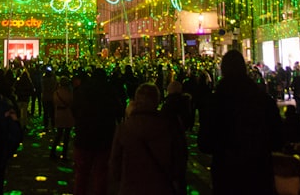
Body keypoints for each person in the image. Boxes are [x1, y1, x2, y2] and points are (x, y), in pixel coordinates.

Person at [198, 50, 283, 194]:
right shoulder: (263, 100)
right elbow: (278, 139)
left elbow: (205, 143)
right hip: (258, 173)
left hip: (227, 175)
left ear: (223, 71)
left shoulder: (215, 103)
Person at [109, 83, 186, 195]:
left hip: (131, 188)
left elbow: (115, 164)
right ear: (157, 101)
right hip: (161, 187)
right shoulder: (167, 127)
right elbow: (178, 161)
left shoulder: (125, 128)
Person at [72, 69, 119, 195]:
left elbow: (74, 109)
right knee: (101, 174)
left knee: (81, 174)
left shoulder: (82, 90)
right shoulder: (110, 90)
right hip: (104, 137)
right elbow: (118, 110)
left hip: (84, 135)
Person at [51, 76, 74, 160]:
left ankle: (53, 151)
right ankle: (64, 153)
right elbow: (72, 102)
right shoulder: (69, 93)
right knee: (67, 136)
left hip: (59, 114)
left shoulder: (56, 93)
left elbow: (54, 103)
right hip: (67, 114)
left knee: (59, 134)